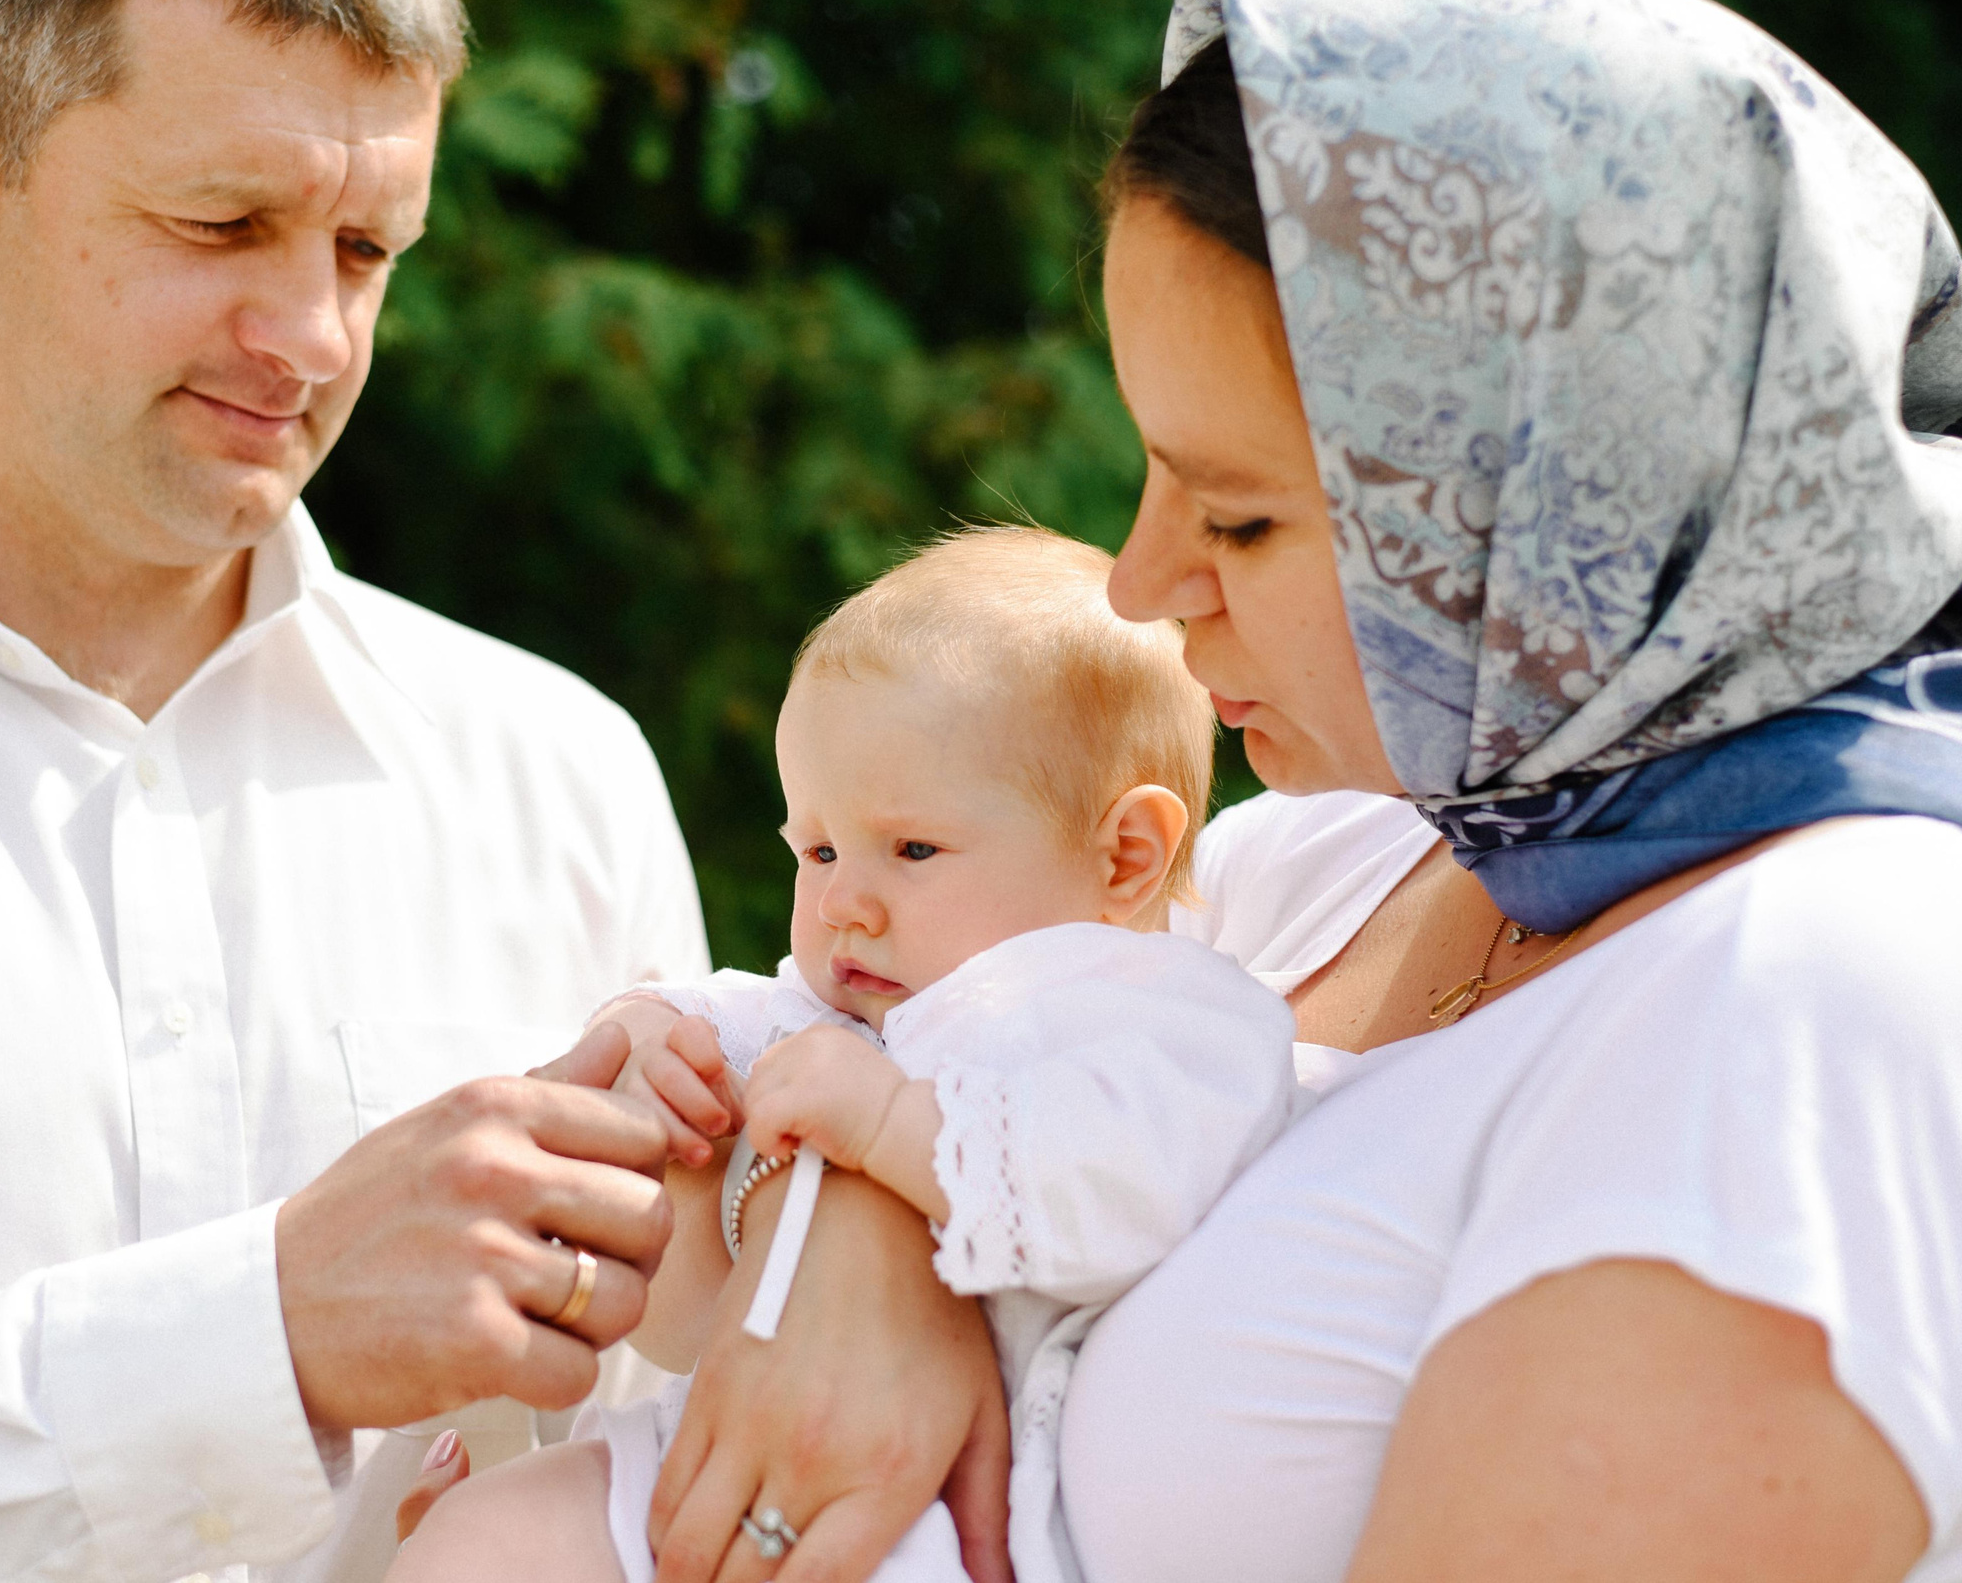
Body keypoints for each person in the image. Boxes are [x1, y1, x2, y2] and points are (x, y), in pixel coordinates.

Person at [577, 0, 1962, 1583]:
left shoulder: (1853, 1001)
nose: (1144, 585)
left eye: (1238, 511)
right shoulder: (1363, 848)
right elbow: (987, 1047)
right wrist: (879, 1234)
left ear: (1561, 505)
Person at [0, 0, 747, 1577]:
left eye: (366, 247)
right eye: (222, 222)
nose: (313, 336)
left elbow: (688, 1452)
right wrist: (258, 1337)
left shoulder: (562, 779)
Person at [389, 528, 1300, 1583]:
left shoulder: (1152, 1016)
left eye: (910, 849)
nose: (841, 902)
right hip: (722, 1446)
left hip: (954, 1510)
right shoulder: (822, 1013)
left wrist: (888, 1125)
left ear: (1124, 854)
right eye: (815, 848)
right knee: (479, 1538)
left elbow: (1125, 1183)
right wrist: (650, 1058)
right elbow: (697, 1029)